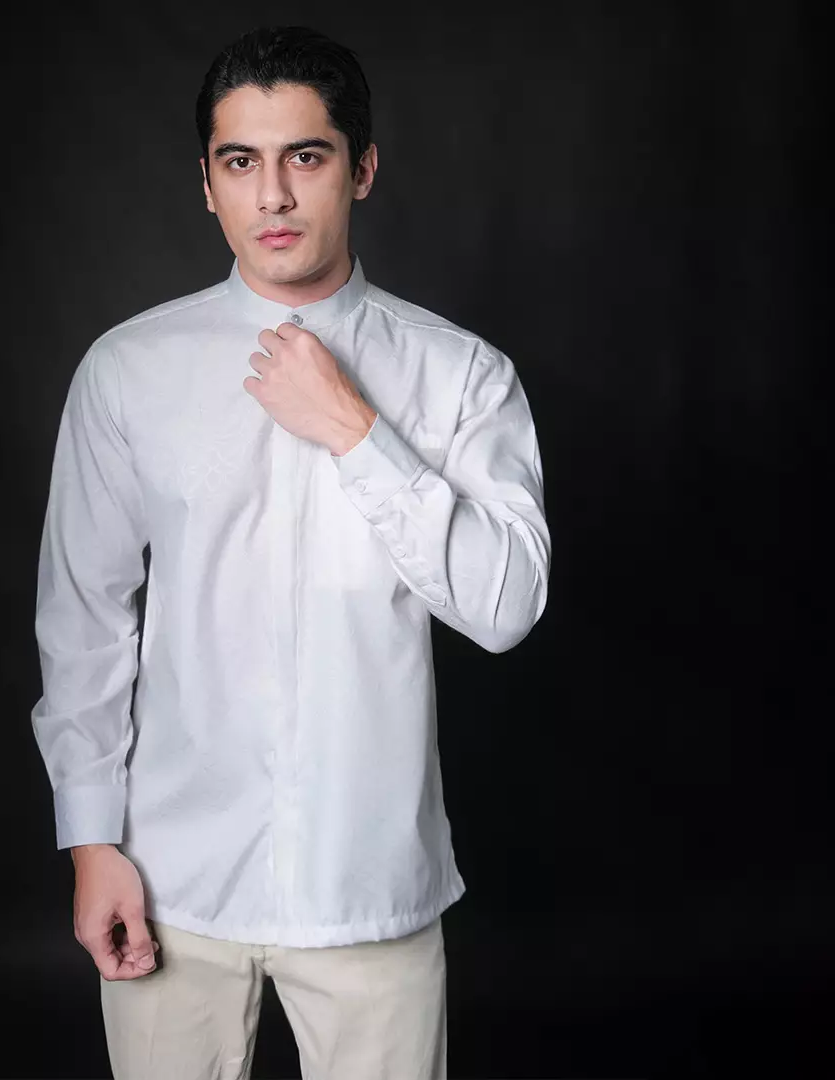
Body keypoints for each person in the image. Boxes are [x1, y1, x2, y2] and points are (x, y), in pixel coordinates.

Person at [30, 23, 551, 1080]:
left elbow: (506, 608)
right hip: (171, 883)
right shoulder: (127, 371)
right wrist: (90, 842)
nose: (271, 195)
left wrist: (357, 431)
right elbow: (84, 619)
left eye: (304, 156)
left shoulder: (462, 376)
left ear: (361, 169)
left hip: (371, 887)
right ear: (206, 183)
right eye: (240, 162)